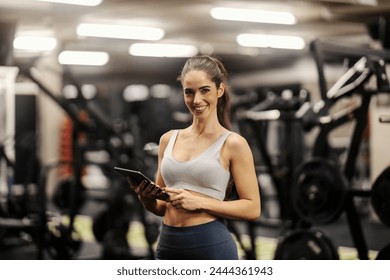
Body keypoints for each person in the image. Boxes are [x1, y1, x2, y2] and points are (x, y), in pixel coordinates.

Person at [128, 55, 261, 260]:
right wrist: (146, 199)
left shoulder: (233, 143)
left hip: (210, 246)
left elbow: (252, 208)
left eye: (204, 90)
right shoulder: (168, 139)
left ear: (220, 90)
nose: (196, 100)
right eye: (189, 92)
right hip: (168, 245)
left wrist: (200, 202)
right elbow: (162, 207)